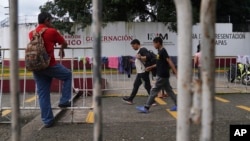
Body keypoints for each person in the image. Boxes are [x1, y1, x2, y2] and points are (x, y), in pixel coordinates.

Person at [29, 12, 72, 128]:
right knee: (67, 75)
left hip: (37, 66)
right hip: (49, 65)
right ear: (47, 20)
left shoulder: (31, 33)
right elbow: (64, 43)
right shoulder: (51, 32)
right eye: (51, 21)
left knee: (43, 94)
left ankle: (47, 120)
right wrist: (61, 48)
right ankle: (64, 101)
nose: (52, 22)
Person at [136, 37, 177, 113]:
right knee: (169, 91)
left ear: (158, 43)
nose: (154, 45)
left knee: (154, 90)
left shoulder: (163, 51)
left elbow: (169, 61)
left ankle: (146, 107)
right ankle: (178, 105)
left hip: (162, 75)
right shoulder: (159, 52)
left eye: (154, 43)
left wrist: (175, 72)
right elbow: (159, 63)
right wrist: (151, 67)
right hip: (163, 75)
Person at [122, 39, 156, 105]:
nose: (133, 47)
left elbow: (148, 57)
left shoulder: (142, 49)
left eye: (133, 46)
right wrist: (134, 60)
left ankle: (152, 101)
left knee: (145, 86)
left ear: (136, 44)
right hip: (141, 72)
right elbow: (141, 60)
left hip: (143, 72)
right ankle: (130, 99)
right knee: (139, 85)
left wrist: (139, 57)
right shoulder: (140, 50)